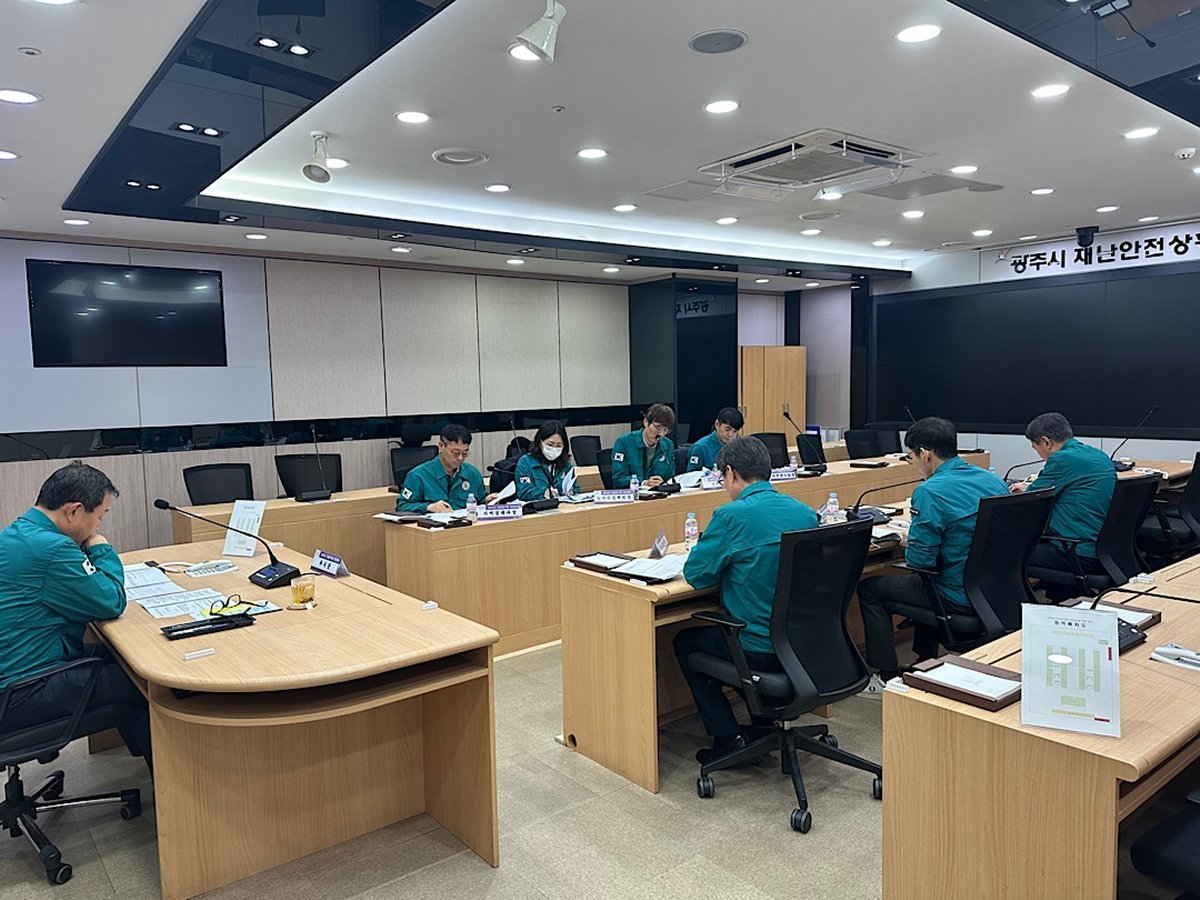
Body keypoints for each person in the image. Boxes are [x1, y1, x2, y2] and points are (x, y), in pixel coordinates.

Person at [673, 436, 819, 762]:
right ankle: (762, 720)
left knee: (685, 642)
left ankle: (727, 738)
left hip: (758, 649)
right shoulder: (805, 513)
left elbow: (697, 575)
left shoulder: (731, 516)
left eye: (722, 478)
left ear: (731, 473)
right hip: (802, 645)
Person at [0, 461, 151, 770]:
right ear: (74, 511)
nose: (97, 527)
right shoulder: (53, 549)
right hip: (23, 692)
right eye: (99, 517)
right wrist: (100, 547)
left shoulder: (16, 534)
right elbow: (110, 601)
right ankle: (170, 790)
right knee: (145, 682)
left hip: (15, 675)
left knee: (128, 659)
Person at [856, 418, 1008, 697]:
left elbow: (920, 562)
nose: (912, 463)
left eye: (911, 457)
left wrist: (907, 540)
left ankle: (885, 675)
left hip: (957, 597)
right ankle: (924, 660)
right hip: (995, 592)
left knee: (870, 589)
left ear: (925, 454)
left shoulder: (930, 492)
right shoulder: (992, 481)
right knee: (926, 579)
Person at [1010, 411, 1116, 598]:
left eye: (1036, 448)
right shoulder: (1097, 455)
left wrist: (1025, 489)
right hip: (1105, 550)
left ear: (1046, 442)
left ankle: (1017, 610)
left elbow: (1031, 500)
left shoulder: (1062, 459)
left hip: (1077, 553)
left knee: (1004, 553)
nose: (1039, 455)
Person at [396, 424, 494, 513]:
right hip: (435, 526)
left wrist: (487, 501)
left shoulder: (472, 474)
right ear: (441, 446)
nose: (460, 458)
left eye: (465, 453)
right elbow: (402, 506)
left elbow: (480, 500)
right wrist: (428, 507)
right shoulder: (418, 476)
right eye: (455, 453)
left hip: (467, 525)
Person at [611, 404, 676, 489]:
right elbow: (618, 479)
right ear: (646, 422)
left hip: (659, 493)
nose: (661, 433)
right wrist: (644, 483)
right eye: (658, 427)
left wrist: (664, 483)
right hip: (632, 494)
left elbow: (670, 478)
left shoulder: (668, 445)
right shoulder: (624, 442)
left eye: (665, 430)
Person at [514, 420, 576, 501]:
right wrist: (543, 493)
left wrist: (572, 491)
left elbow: (576, 487)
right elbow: (523, 492)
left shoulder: (566, 464)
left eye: (559, 446)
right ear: (540, 442)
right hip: (538, 507)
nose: (554, 449)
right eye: (550, 444)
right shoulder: (525, 462)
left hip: (563, 506)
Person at [686, 407, 744, 472]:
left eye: (735, 431)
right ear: (717, 424)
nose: (730, 435)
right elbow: (692, 475)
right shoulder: (700, 448)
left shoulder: (740, 448)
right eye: (727, 429)